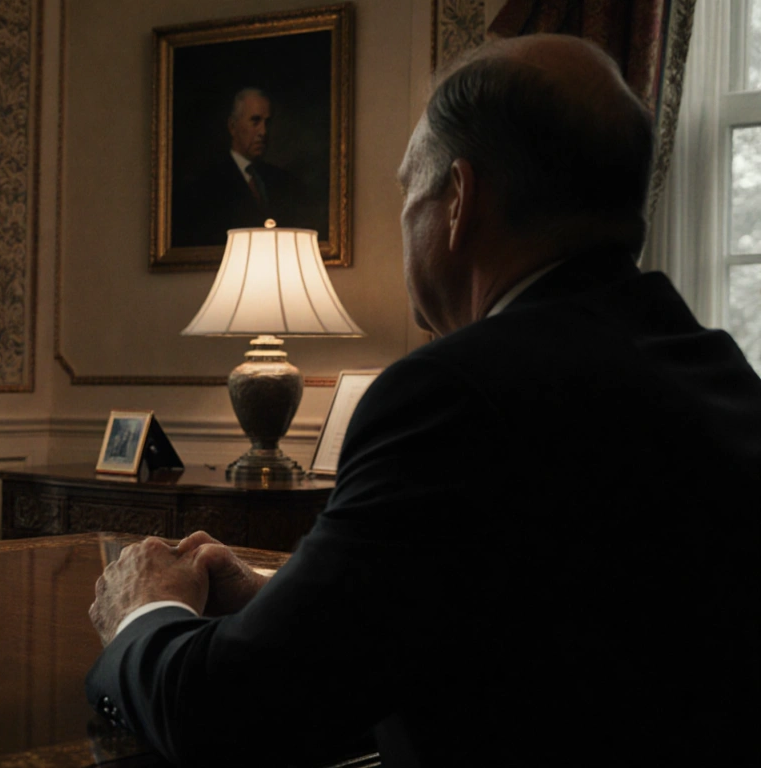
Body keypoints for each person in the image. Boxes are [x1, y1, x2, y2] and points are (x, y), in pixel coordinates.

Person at [86, 35, 761, 767]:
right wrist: (283, 601)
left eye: (409, 190)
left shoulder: (454, 393)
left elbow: (226, 714)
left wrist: (143, 613)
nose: (403, 214)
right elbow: (544, 624)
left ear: (459, 201)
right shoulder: (716, 369)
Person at [172, 87, 318, 247]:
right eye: (255, 121)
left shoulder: (283, 181)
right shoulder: (207, 184)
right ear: (232, 126)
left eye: (267, 122)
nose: (263, 131)